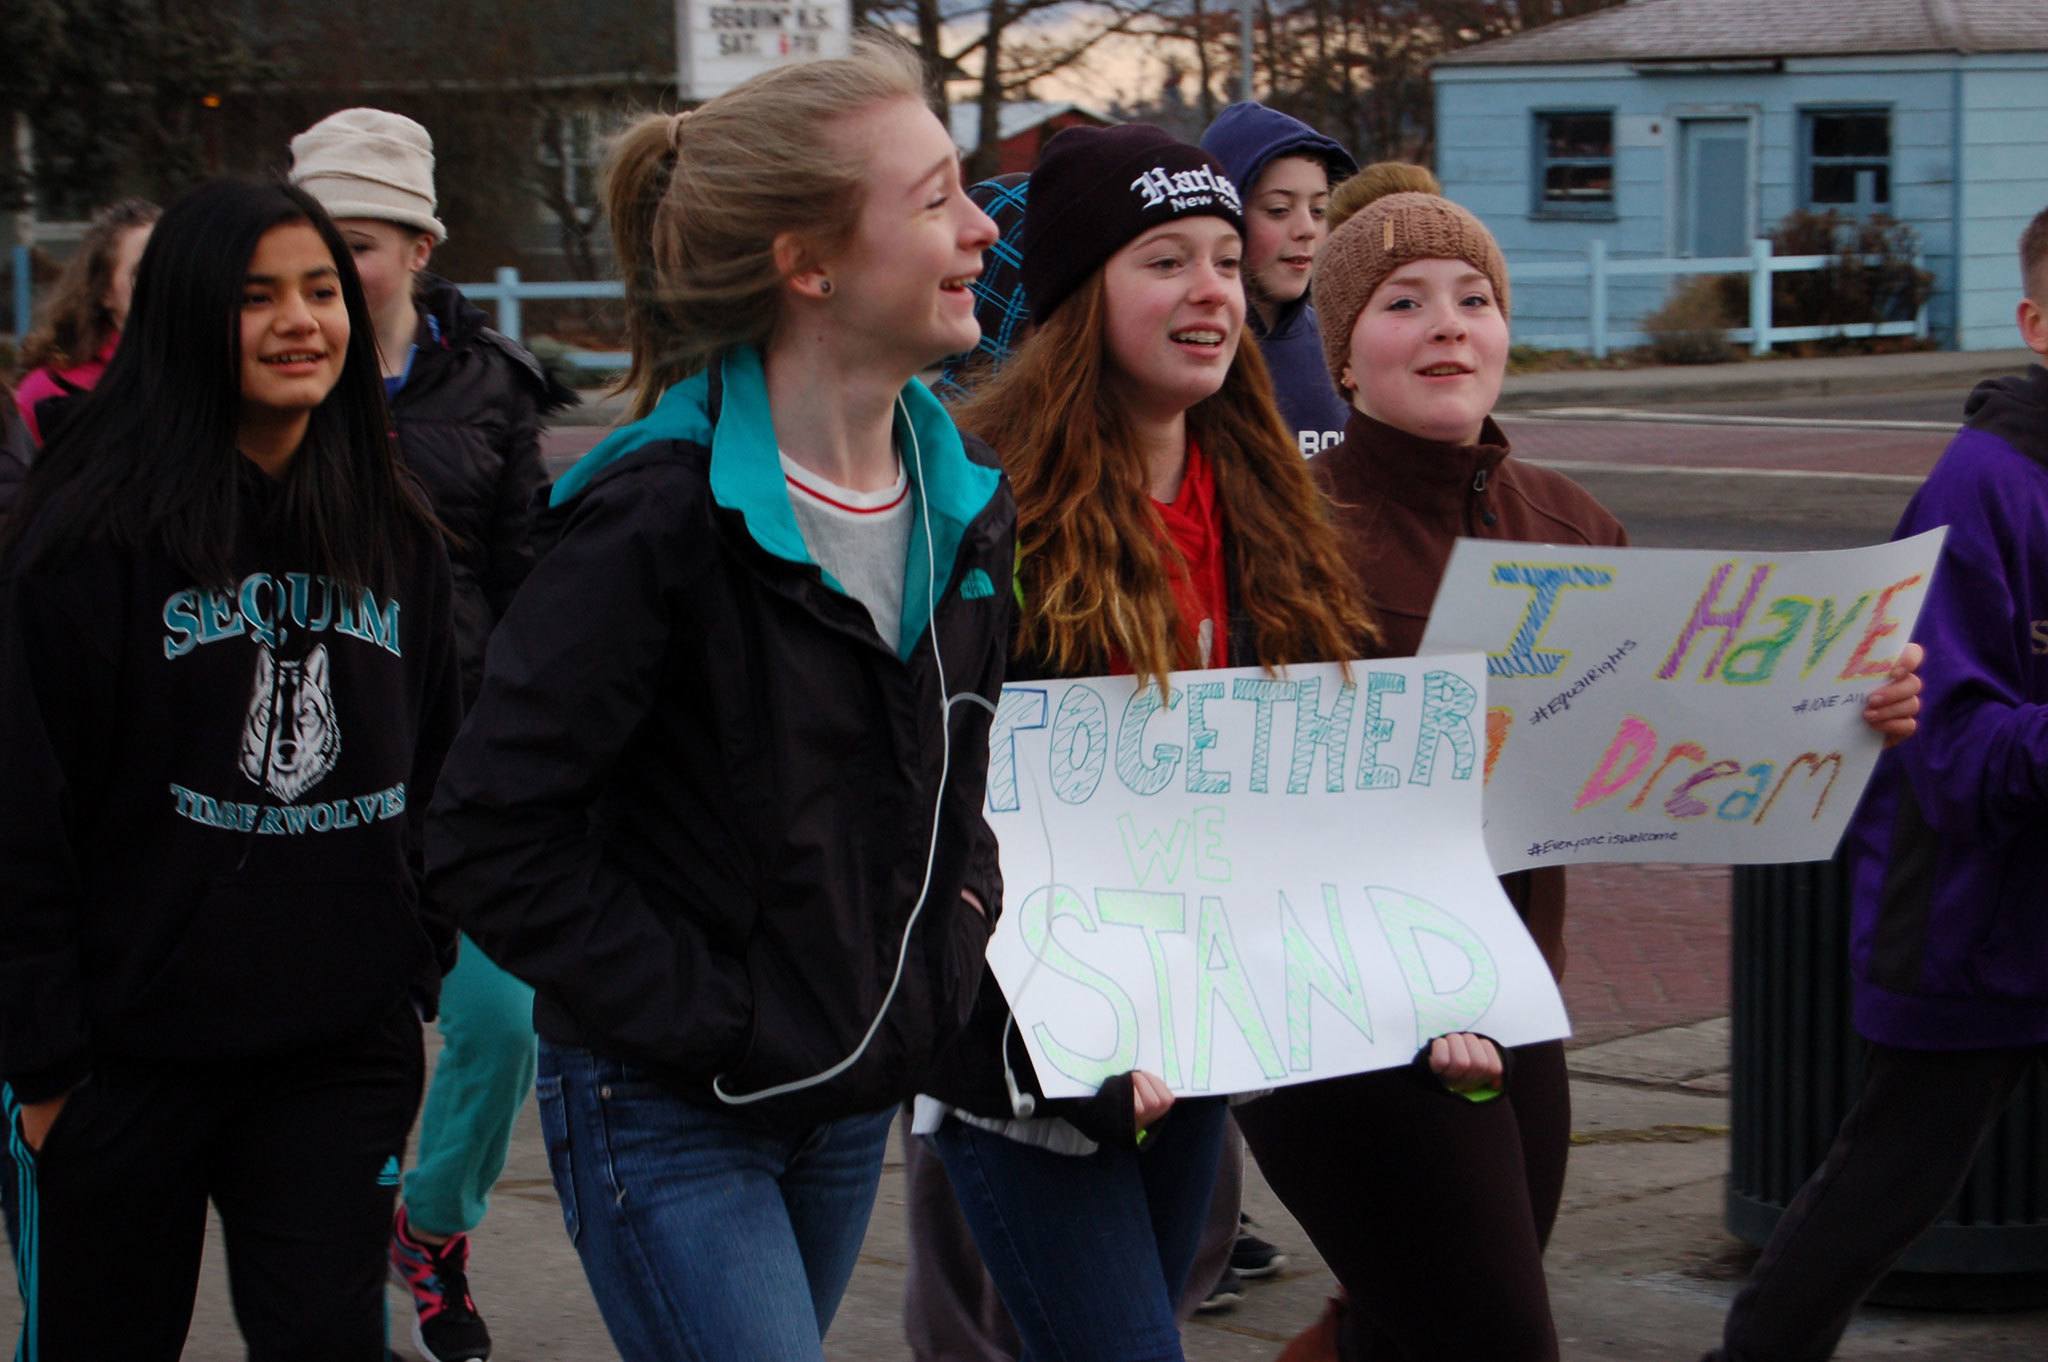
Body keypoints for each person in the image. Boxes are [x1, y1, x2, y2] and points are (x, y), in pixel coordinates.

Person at [1237, 168, 1924, 1362]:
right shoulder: (1286, 531)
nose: (1448, 322)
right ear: (1342, 357)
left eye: (1472, 297)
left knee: (1407, 1329)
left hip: (1516, 1001)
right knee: (1497, 1337)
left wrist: (1844, 713)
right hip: (1345, 1015)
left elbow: (1678, 739)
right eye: (1402, 302)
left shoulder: (1570, 525)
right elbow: (1257, 799)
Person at [422, 36, 1012, 1362]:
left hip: (850, 1093)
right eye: (934, 199)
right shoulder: (653, 516)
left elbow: (958, 788)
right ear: (808, 262)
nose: (981, 226)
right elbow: (487, 834)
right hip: (666, 1108)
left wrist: (951, 937)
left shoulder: (971, 506)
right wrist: (711, 1012)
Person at [916, 123, 1474, 1362]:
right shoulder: (979, 506)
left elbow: (1333, 778)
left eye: (1225, 258)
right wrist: (1008, 1037)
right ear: (1077, 297)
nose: (1212, 289)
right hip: (1032, 1064)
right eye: (1163, 260)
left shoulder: (1275, 498)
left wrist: (1427, 975)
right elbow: (923, 793)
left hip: (1201, 1038)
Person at [0, 178, 461, 1361]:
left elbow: (439, 766)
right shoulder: (78, 543)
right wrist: (47, 1071)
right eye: (256, 297)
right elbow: (19, 815)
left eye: (319, 290)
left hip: (333, 1058)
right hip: (117, 1068)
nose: (300, 320)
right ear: (183, 318)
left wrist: (407, 967)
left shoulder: (395, 534)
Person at [1702, 205, 2048, 1362]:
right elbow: (1948, 751)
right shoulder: (1982, 484)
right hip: (1967, 922)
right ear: (2033, 323)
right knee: (1880, 1192)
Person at [288, 104, 573, 1362]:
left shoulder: (492, 389)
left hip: (466, 768)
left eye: (354, 243)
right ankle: (327, 1260)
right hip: (307, 773)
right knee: (334, 1045)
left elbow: (533, 583)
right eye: (310, 242)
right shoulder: (263, 378)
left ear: (416, 247)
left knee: (501, 1022)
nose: (329, 274)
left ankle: (436, 1230)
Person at [1199, 102, 1355, 459]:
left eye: (1319, 211)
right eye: (1279, 210)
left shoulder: (1343, 346)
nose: (1306, 231)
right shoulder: (1188, 353)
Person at [13, 197, 158, 445]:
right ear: (104, 292)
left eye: (171, 269)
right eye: (141, 273)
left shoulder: (217, 377)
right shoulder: (50, 393)